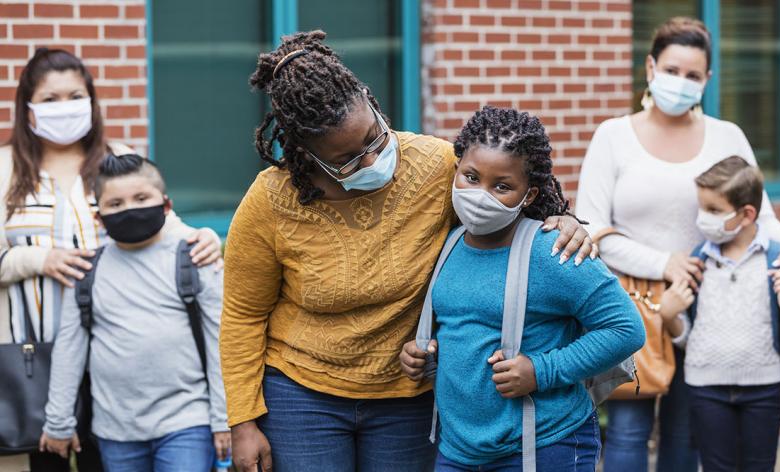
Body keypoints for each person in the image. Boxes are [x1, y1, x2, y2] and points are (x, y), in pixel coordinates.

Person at [221, 31, 595, 472]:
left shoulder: (437, 167)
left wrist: (563, 221)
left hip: (407, 395)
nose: (371, 160)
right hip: (303, 393)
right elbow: (243, 315)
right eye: (347, 160)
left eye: (374, 139)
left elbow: (504, 210)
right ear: (305, 153)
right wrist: (243, 422)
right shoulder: (270, 201)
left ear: (371, 102)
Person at [575, 17, 780, 472]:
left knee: (686, 435)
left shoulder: (728, 137)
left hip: (709, 310)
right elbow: (591, 232)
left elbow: (759, 217)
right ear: (649, 67)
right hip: (631, 308)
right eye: (671, 70)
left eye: (692, 75)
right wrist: (665, 262)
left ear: (707, 80)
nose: (680, 83)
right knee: (627, 431)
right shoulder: (613, 135)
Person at [0, 49, 222, 471]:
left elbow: (165, 224)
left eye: (74, 96)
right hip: (32, 355)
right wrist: (35, 259)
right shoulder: (4, 167)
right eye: (50, 100)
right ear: (28, 110)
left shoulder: (116, 157)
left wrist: (205, 236)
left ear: (91, 101)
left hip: (114, 358)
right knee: (43, 459)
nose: (64, 108)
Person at [398, 106, 645, 471]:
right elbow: (464, 324)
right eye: (470, 177)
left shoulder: (552, 250)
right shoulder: (448, 242)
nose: (480, 196)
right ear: (455, 173)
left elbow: (626, 329)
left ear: (528, 196)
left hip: (544, 446)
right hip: (458, 451)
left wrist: (541, 370)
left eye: (502, 186)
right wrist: (421, 354)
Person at [38, 154, 231, 471]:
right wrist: (58, 421)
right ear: (99, 218)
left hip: (187, 422)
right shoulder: (88, 271)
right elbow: (69, 350)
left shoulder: (194, 260)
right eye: (115, 204)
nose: (129, 209)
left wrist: (224, 418)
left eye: (141, 198)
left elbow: (220, 342)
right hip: (116, 431)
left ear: (166, 206)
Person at [657, 156, 780, 471]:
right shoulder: (696, 262)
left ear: (747, 214)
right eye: (701, 209)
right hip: (705, 389)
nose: (703, 219)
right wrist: (669, 317)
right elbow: (689, 339)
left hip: (764, 391)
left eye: (714, 211)